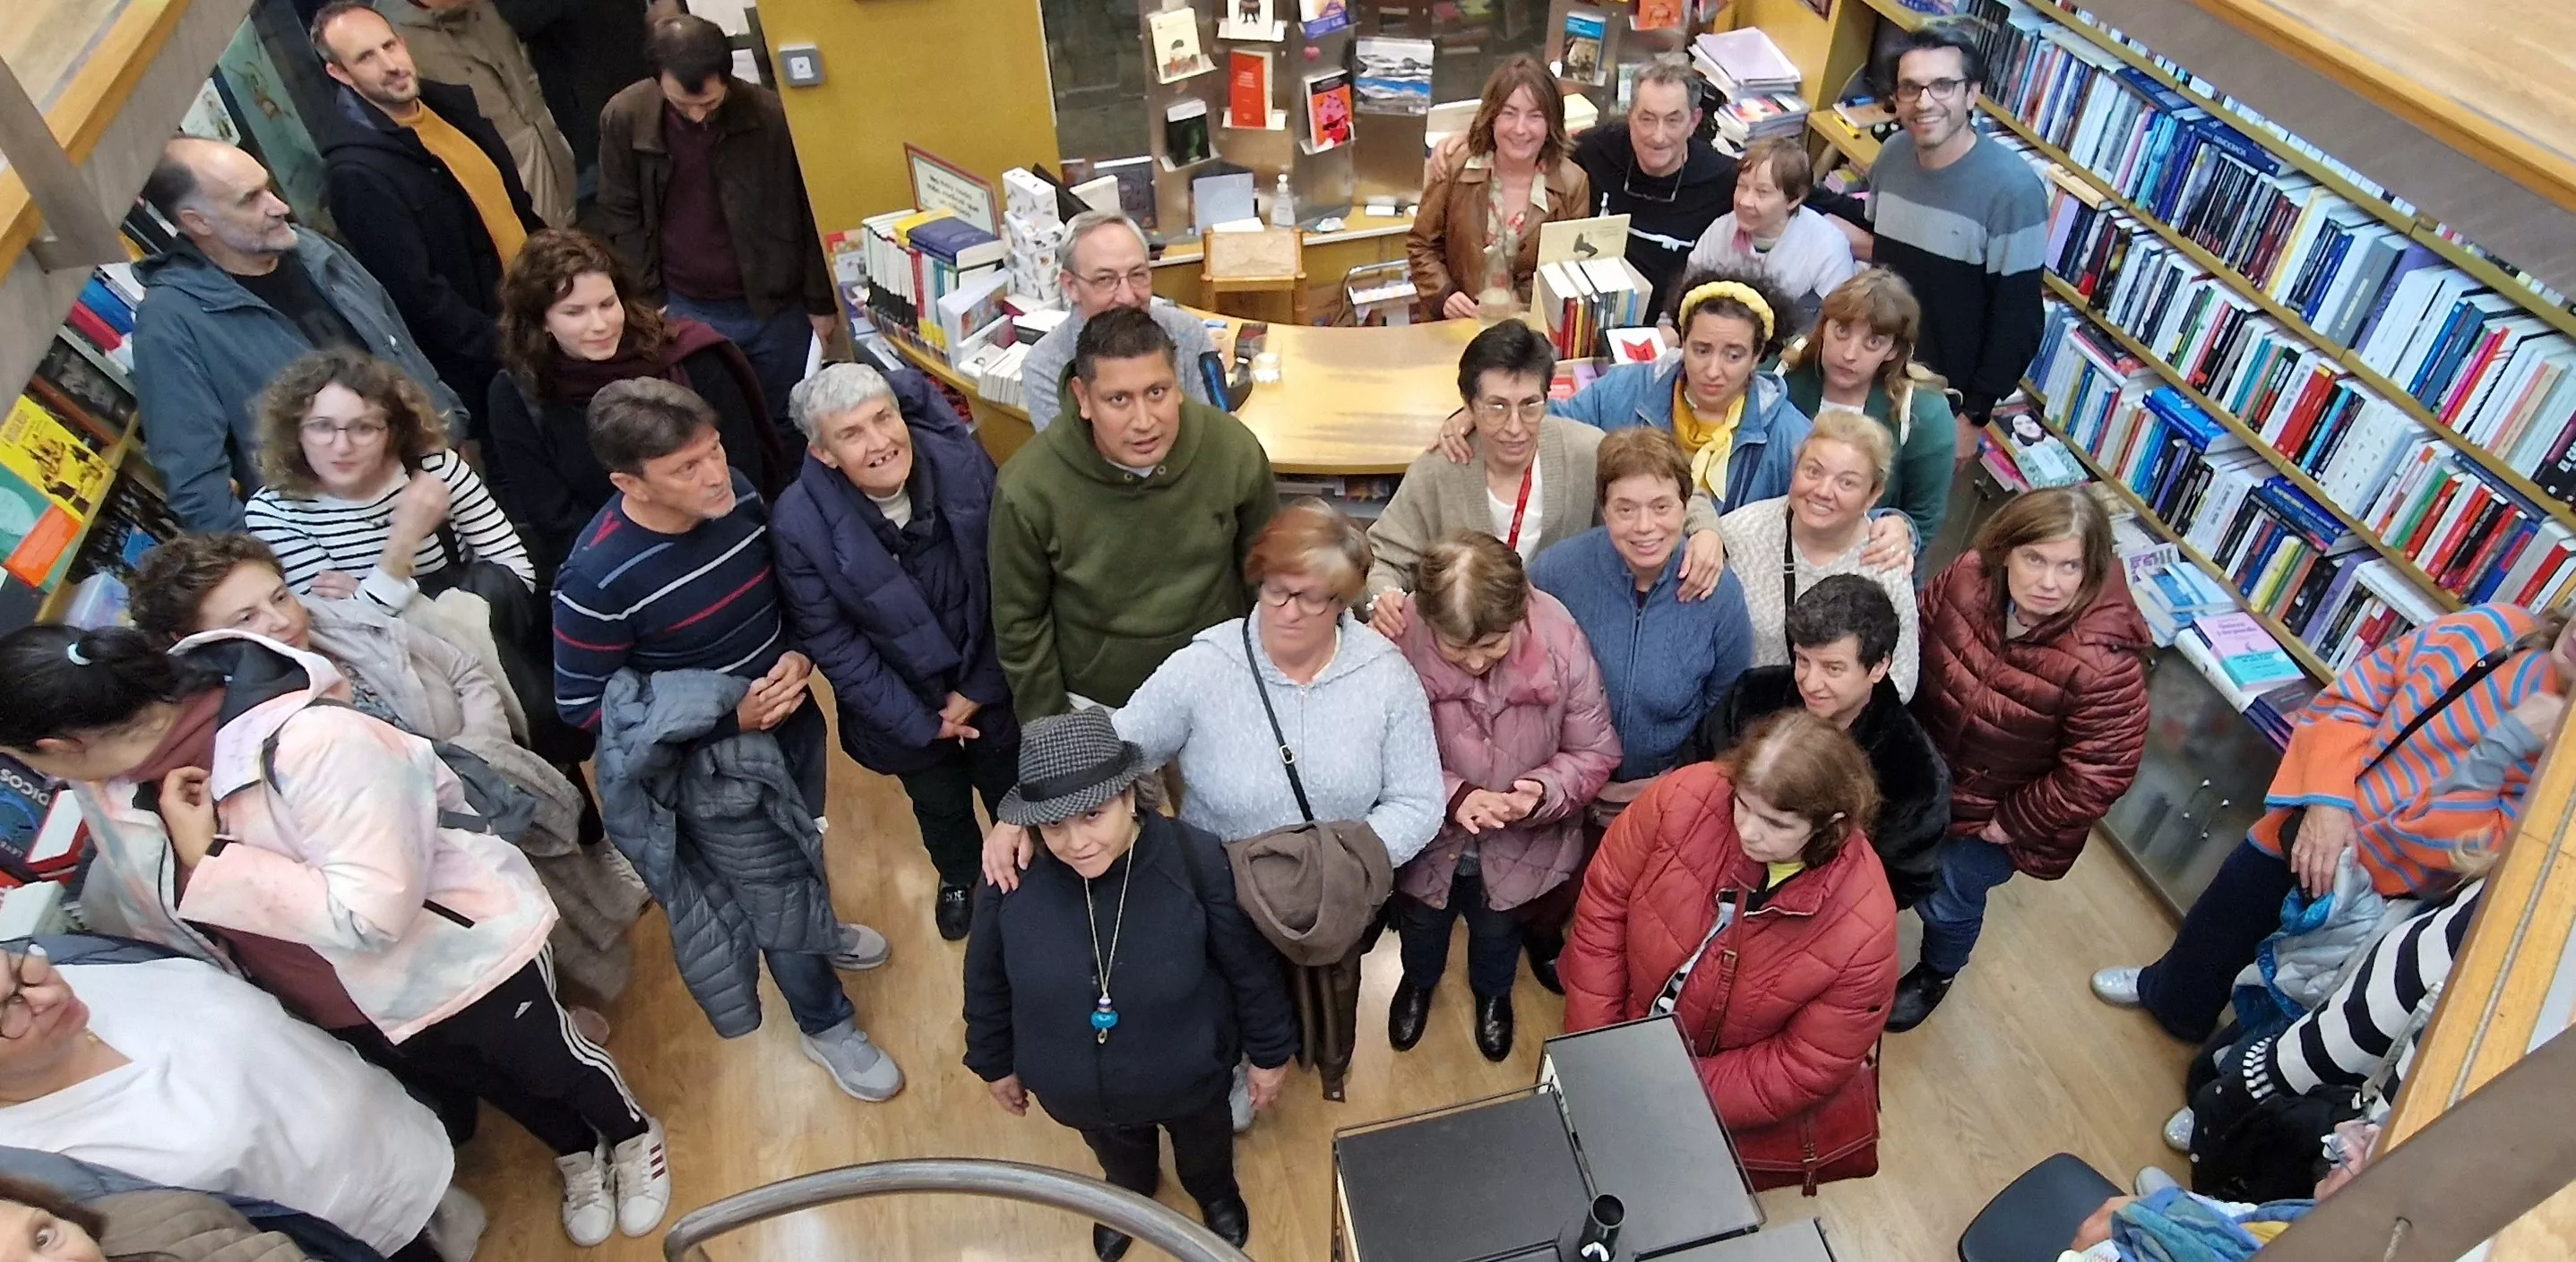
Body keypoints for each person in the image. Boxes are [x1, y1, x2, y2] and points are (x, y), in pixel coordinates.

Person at [0, 626, 669, 1247]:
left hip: (459, 961)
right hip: (342, 1000)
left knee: (550, 1059)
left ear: (61, 747)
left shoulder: (312, 740)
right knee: (490, 1080)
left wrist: (211, 859)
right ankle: (575, 1149)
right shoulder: (111, 787)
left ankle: (631, 1132)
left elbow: (374, 913)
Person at [986, 502, 1443, 1103]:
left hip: (1330, 897)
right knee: (1226, 995)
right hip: (1221, 893)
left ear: (1342, 601)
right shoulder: (1205, 665)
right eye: (1276, 590)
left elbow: (1418, 798)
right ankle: (1233, 1071)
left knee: (1312, 1002)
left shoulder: (1386, 677)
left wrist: (1340, 865)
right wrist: (1021, 812)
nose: (1287, 611)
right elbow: (1121, 744)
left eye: (1312, 597)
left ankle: (1294, 1055)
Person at [552, 378, 904, 1102]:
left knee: (803, 840)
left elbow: (791, 590)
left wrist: (801, 652)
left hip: (795, 721)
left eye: (714, 451)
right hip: (714, 767)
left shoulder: (738, 494)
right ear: (628, 482)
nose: (714, 474)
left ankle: (821, 931)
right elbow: (584, 708)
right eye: (686, 467)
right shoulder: (594, 577)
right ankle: (824, 1020)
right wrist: (725, 718)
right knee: (769, 890)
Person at [125, 531, 645, 1007]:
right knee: (550, 970)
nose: (281, 620)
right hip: (450, 882)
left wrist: (477, 752)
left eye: (279, 596)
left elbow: (463, 669)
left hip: (506, 789)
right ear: (193, 643)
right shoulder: (251, 738)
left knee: (598, 911)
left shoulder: (350, 622)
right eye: (246, 618)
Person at [2095, 605, 2572, 1043]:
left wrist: (2504, 746)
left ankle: (2216, 1103)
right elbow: (2353, 699)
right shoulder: (2494, 630)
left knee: (2290, 1009)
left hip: (2378, 898)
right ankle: (2171, 999)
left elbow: (2466, 851)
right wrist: (2327, 805)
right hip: (2306, 827)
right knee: (2222, 918)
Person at [964, 709, 1295, 1259]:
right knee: (1119, 1156)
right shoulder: (1011, 875)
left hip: (1191, 1074)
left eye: (1092, 815)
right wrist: (994, 1061)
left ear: (1128, 795)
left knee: (1205, 1148)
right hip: (1080, 1091)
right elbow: (986, 980)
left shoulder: (1193, 858)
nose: (1075, 843)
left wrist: (1269, 1053)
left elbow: (1248, 967)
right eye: (1054, 825)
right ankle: (1129, 1194)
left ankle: (1214, 1194)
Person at [1559, 710, 1899, 1193]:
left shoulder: (1864, 929)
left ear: (1832, 824)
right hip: (1617, 1031)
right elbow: (1604, 905)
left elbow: (1803, 1064)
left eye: (1777, 823)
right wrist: (1594, 1044)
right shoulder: (1682, 797)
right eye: (1742, 804)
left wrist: (1668, 1088)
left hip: (1705, 1093)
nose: (1749, 832)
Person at [0, 940, 463, 1258]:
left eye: (18, 968)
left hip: (410, 1136)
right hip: (364, 1233)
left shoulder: (80, 955)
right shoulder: (38, 1169)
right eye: (8, 1009)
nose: (46, 992)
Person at [774, 363, 1018, 942]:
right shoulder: (797, 524)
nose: (880, 442)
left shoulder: (961, 465)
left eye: (884, 417)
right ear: (825, 453)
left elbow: (1010, 583)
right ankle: (960, 874)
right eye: (852, 433)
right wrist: (921, 721)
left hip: (989, 684)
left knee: (1013, 787)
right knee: (940, 807)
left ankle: (1027, 874)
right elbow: (834, 643)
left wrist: (979, 688)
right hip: (902, 716)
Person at [1895, 486, 2150, 1032]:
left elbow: (2097, 774)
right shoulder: (1966, 577)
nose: (2049, 582)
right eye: (2035, 558)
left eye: (2069, 566)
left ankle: (1937, 972)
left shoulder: (2103, 664)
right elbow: (1912, 638)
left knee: (1948, 898)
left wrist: (2007, 825)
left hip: (1995, 817)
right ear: (2006, 550)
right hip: (1924, 775)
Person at [132, 137, 466, 531]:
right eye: (249, 199)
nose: (279, 207)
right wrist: (285, 573)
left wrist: (453, 426)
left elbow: (396, 341)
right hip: (349, 550)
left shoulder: (311, 250)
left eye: (268, 187)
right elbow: (196, 486)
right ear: (196, 222)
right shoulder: (171, 322)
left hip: (443, 484)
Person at [1387, 534, 1618, 1062]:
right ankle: (1420, 982)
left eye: (1491, 646)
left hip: (1522, 845)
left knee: (1499, 932)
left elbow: (1595, 750)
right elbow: (1376, 753)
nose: (1473, 663)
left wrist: (1540, 793)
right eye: (1456, 648)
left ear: (1519, 614)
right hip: (1427, 840)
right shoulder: (1401, 637)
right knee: (1422, 925)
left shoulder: (1560, 637)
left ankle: (1493, 996)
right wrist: (1453, 794)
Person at [989, 306, 1279, 718]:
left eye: (1156, 392)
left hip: (1222, 684)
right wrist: (1058, 733)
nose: (1144, 421)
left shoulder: (1232, 448)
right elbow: (1020, 628)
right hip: (1101, 705)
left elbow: (1267, 574)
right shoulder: (1027, 488)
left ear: (1177, 384)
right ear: (1083, 398)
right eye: (1118, 399)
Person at [1367, 321, 1726, 640]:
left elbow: (1670, 488)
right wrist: (1384, 596)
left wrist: (1706, 530)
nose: (1514, 426)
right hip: (1464, 646)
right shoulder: (1439, 470)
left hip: (1566, 643)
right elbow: (1382, 558)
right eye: (1496, 407)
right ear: (1469, 405)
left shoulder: (1583, 450)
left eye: (1529, 405)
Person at [489, 227, 786, 586]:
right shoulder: (518, 396)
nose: (599, 325)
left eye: (607, 304)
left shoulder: (690, 357)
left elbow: (742, 465)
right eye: (575, 312)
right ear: (542, 323)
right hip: (622, 578)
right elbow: (554, 518)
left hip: (727, 548)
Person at [310, 2, 547, 435]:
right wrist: (509, 347)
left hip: (548, 317)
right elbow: (422, 298)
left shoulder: (450, 106)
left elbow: (514, 208)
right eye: (366, 57)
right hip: (503, 364)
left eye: (389, 46)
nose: (390, 64)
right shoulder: (358, 173)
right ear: (340, 74)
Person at [597, 13, 838, 431]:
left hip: (775, 307)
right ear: (658, 82)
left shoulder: (771, 117)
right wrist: (648, 299)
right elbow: (621, 212)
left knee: (793, 418)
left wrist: (820, 302)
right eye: (681, 105)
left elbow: (808, 209)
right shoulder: (626, 116)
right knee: (710, 423)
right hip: (685, 304)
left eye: (708, 104)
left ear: (728, 78)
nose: (696, 117)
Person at [1694, 575, 1949, 907]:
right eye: (1803, 660)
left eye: (1833, 668)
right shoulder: (1751, 695)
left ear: (1879, 666)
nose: (1810, 683)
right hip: (1710, 876)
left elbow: (1899, 882)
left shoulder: (1915, 773)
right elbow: (1699, 773)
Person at [1529, 427, 1754, 786]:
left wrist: (1679, 782)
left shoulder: (1719, 591)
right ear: (1604, 509)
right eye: (1625, 509)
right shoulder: (1554, 574)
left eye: (1661, 507)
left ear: (1685, 507)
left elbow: (1727, 700)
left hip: (1667, 790)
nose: (1645, 527)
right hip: (1564, 789)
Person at [241, 348, 534, 614]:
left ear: (393, 432)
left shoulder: (437, 469)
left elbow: (517, 576)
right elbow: (339, 637)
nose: (342, 446)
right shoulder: (276, 511)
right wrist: (403, 542)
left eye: (364, 428)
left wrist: (372, 598)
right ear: (295, 433)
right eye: (322, 427)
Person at [1863, 20, 2047, 436]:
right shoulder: (1892, 156)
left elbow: (2018, 321)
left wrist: (1974, 416)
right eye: (1910, 88)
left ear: (1972, 94)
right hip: (1878, 378)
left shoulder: (2013, 191)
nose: (1924, 102)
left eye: (1943, 85)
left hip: (1945, 405)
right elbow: (1879, 255)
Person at [1550, 267, 1825, 521]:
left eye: (1733, 356)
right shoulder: (1624, 388)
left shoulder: (1788, 434)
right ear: (1682, 343)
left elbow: (1847, 501)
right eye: (1701, 350)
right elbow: (1552, 428)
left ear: (1756, 357)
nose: (1713, 370)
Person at [1716, 410, 1922, 698]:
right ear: (1794, 469)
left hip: (1826, 732)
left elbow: (1899, 682)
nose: (1824, 491)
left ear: (1874, 495)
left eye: (1847, 482)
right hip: (1737, 714)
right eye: (1813, 471)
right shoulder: (1742, 532)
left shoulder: (1884, 563)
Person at [1775, 269, 1958, 548]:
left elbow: (1922, 519)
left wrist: (1901, 531)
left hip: (1862, 556)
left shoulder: (1924, 414)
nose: (1850, 353)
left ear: (1893, 350)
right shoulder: (1780, 375)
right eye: (1841, 331)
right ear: (1823, 326)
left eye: (1873, 342)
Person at [1407, 54, 1590, 322]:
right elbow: (1421, 244)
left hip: (1526, 336)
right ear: (1492, 117)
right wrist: (1443, 295)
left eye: (1535, 116)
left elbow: (1570, 272)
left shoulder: (1573, 184)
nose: (1520, 129)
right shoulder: (1456, 165)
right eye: (1509, 113)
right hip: (1456, 328)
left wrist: (1521, 308)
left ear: (1551, 123)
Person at [378, 0, 579, 228]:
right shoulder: (391, 35)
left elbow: (518, 61)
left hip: (545, 141)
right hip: (500, 174)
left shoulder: (482, 7)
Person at [1568, 55, 1737, 315]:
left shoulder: (1724, 177)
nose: (1658, 136)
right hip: (1585, 314)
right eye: (1646, 119)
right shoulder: (1594, 150)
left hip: (1668, 329)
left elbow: (1796, 192)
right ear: (1629, 116)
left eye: (1673, 120)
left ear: (1693, 121)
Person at [1019, 210, 1217, 433]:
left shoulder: (1187, 332)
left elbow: (1214, 432)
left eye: (1137, 274)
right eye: (1105, 279)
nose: (1128, 297)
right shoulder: (1044, 367)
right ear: (1070, 286)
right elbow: (1069, 463)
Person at [1685, 137, 1856, 331]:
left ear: (1794, 199)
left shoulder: (1828, 248)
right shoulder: (1720, 230)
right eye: (1742, 186)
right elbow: (1689, 294)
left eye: (1762, 192)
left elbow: (1833, 326)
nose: (1745, 201)